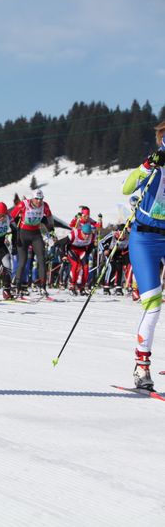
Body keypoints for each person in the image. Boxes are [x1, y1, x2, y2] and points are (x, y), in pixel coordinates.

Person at [121, 122, 165, 390]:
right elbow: (127, 189)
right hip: (145, 239)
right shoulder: (156, 162)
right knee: (153, 303)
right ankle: (142, 366)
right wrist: (147, 165)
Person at [10, 189, 54, 297]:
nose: (39, 201)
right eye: (37, 199)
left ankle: (43, 287)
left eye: (41, 199)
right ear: (32, 198)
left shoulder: (45, 205)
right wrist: (15, 232)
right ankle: (17, 287)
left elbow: (49, 217)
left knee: (42, 259)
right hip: (23, 234)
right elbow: (10, 218)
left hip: (35, 234)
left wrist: (51, 229)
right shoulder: (23, 204)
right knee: (23, 261)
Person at [66, 206, 101, 295]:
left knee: (85, 268)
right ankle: (72, 285)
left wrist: (99, 221)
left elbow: (98, 226)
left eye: (88, 215)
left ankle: (82, 287)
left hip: (82, 246)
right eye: (85, 215)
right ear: (81, 215)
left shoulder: (89, 220)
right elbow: (71, 227)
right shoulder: (78, 219)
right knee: (76, 266)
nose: (86, 217)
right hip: (74, 244)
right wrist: (76, 220)